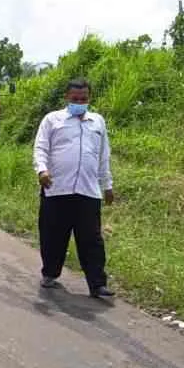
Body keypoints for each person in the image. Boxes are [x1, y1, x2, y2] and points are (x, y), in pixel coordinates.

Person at [33, 78, 115, 298]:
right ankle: (50, 273)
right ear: (67, 98)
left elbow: (103, 156)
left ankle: (97, 284)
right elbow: (41, 148)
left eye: (84, 99)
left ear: (89, 98)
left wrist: (107, 185)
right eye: (75, 98)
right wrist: (42, 170)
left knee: (92, 239)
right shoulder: (53, 120)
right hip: (56, 188)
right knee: (53, 235)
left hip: (88, 191)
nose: (80, 102)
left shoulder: (97, 122)